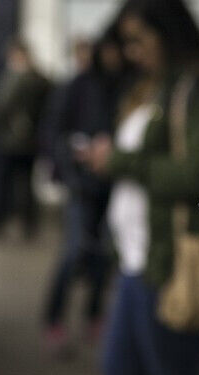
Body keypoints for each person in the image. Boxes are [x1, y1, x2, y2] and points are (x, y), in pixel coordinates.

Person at [79, 0, 199, 375]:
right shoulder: (152, 86)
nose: (131, 52)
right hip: (135, 257)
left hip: (171, 259)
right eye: (126, 42)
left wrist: (119, 161)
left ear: (169, 32)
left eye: (139, 40)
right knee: (121, 372)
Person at [41, 28, 129, 355]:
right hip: (82, 187)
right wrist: (72, 159)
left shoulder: (121, 87)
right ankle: (54, 319)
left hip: (114, 186)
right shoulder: (74, 87)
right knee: (73, 252)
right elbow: (53, 133)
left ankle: (94, 314)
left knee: (103, 257)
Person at [0, 39, 50, 239]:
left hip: (22, 141)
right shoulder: (9, 76)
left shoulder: (31, 78)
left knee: (22, 184)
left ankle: (25, 224)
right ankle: (1, 221)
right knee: (6, 182)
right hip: (9, 140)